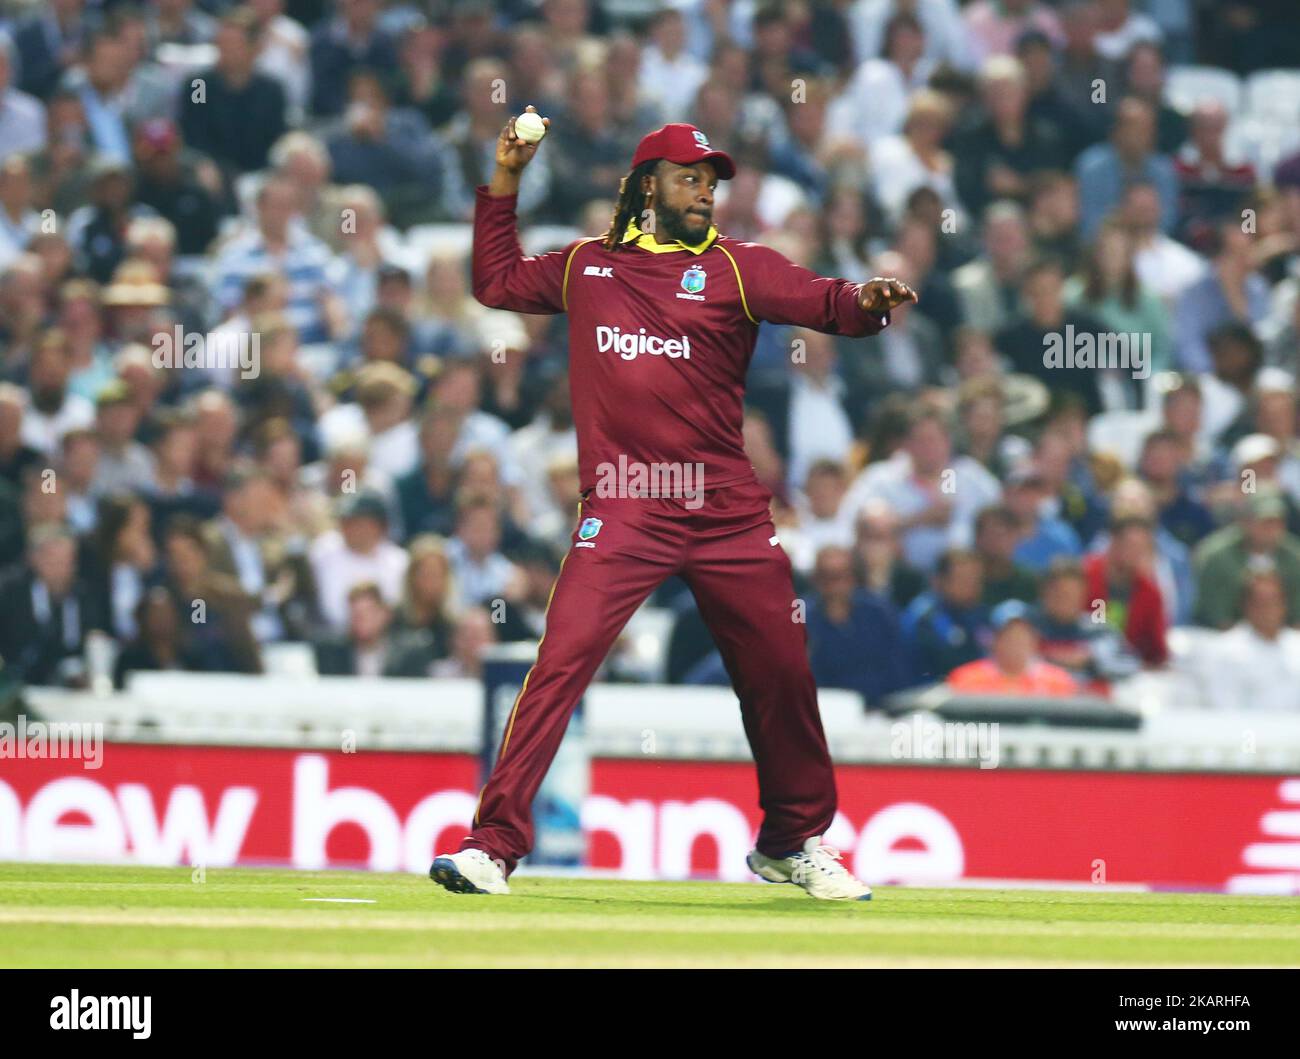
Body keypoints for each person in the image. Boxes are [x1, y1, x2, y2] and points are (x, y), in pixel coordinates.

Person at [431, 112, 917, 901]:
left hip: (725, 508)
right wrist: (507, 178)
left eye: (711, 181)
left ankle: (793, 841)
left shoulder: (738, 268)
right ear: (645, 187)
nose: (704, 193)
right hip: (626, 504)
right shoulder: (586, 267)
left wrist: (869, 299)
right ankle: (492, 844)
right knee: (560, 661)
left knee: (782, 669)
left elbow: (828, 302)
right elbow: (492, 282)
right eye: (689, 178)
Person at [947, 599, 1079, 696]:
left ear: (1035, 640)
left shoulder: (1058, 682)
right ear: (994, 640)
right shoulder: (967, 678)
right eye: (1008, 636)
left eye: (1021, 636)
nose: (1014, 643)